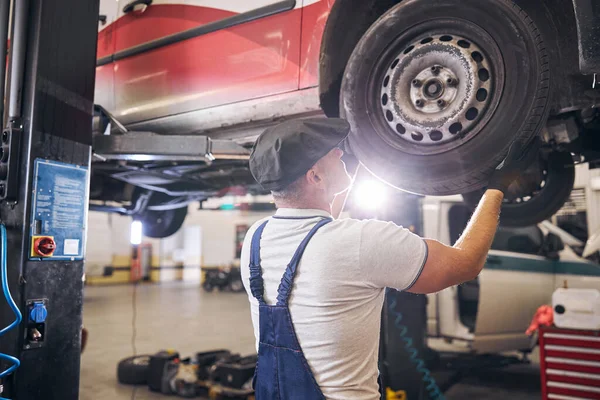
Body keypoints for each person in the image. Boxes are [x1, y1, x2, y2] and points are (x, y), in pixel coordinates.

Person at [240, 118, 538, 400]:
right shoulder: (361, 241)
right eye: (330, 152)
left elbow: (322, 232)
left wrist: (351, 168)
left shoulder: (256, 238)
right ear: (315, 176)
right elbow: (466, 263)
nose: (339, 150)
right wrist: (498, 185)